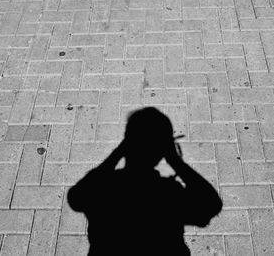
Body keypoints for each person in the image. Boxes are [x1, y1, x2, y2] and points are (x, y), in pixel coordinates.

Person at [67, 107, 222, 255]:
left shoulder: (104, 187)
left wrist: (117, 153)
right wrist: (175, 161)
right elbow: (211, 205)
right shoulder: (168, 194)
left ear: (127, 143)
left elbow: (76, 198)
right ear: (162, 151)